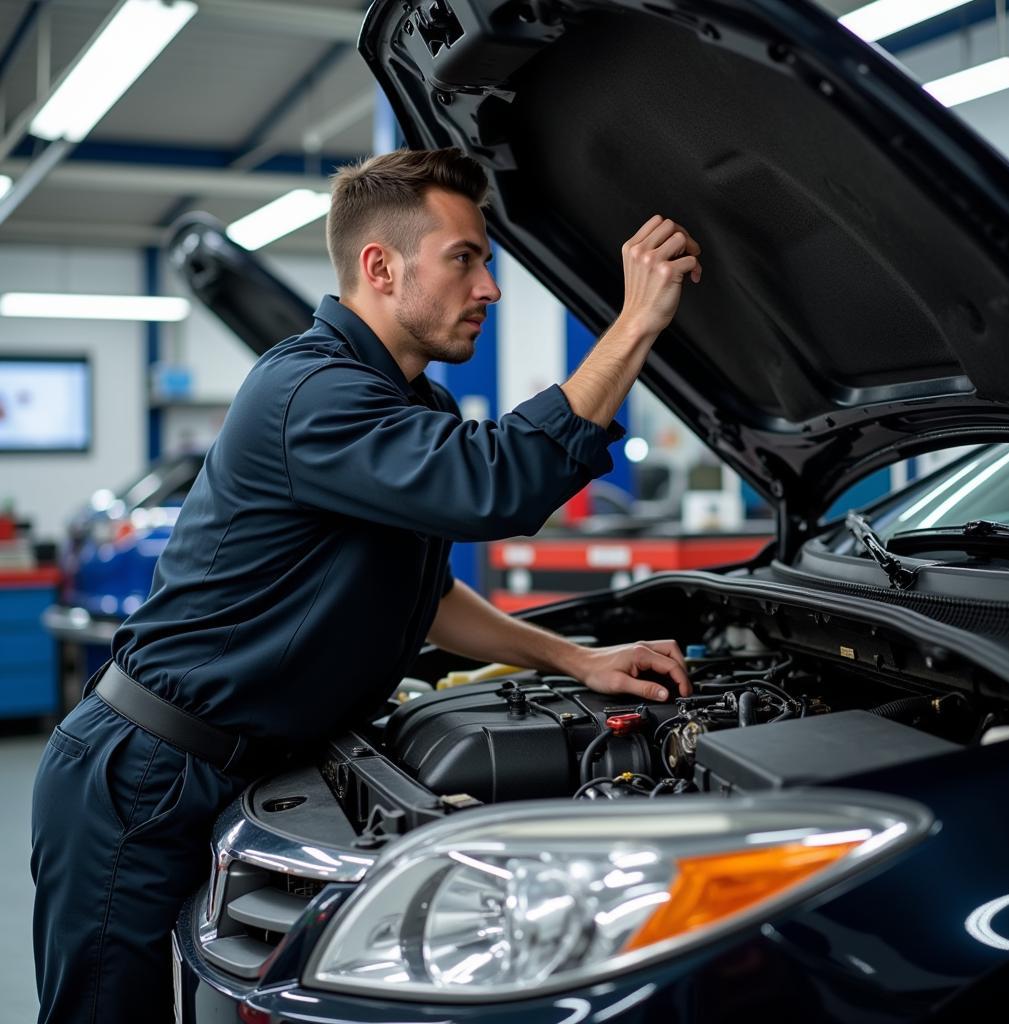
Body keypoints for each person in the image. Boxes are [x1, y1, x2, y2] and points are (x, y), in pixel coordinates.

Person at [30, 146, 703, 1023]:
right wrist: (634, 324)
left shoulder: (405, 403)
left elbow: (426, 594)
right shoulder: (311, 393)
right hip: (143, 775)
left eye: (487, 262)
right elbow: (497, 484)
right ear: (380, 268)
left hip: (229, 765)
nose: (490, 288)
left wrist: (577, 661)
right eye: (465, 258)